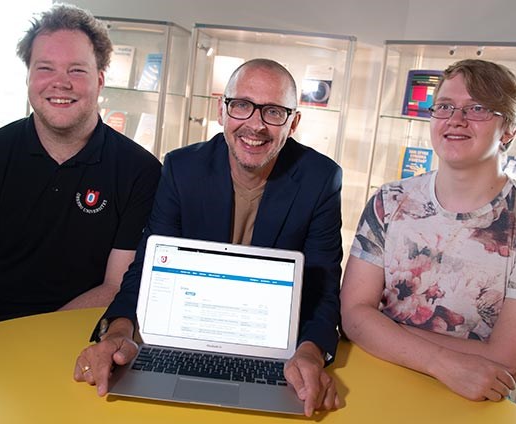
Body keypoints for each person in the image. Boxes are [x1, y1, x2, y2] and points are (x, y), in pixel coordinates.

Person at [73, 58, 343, 416]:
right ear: (222, 110)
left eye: (274, 112)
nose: (255, 125)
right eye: (242, 105)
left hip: (271, 350)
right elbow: (147, 268)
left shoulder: (321, 179)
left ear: (293, 123)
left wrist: (310, 353)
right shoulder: (182, 169)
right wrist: (118, 332)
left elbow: (324, 289)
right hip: (188, 337)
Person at [340, 59, 516, 402]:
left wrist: (384, 330)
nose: (455, 120)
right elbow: (353, 316)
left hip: (464, 402)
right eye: (445, 107)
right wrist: (442, 361)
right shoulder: (390, 200)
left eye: (477, 108)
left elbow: (506, 363)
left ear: (509, 129)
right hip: (369, 382)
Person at [0, 4, 161, 334]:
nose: (61, 83)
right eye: (45, 68)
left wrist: (30, 345)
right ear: (28, 77)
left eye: (77, 70)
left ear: (100, 81)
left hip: (84, 344)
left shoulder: (141, 171)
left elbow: (116, 286)